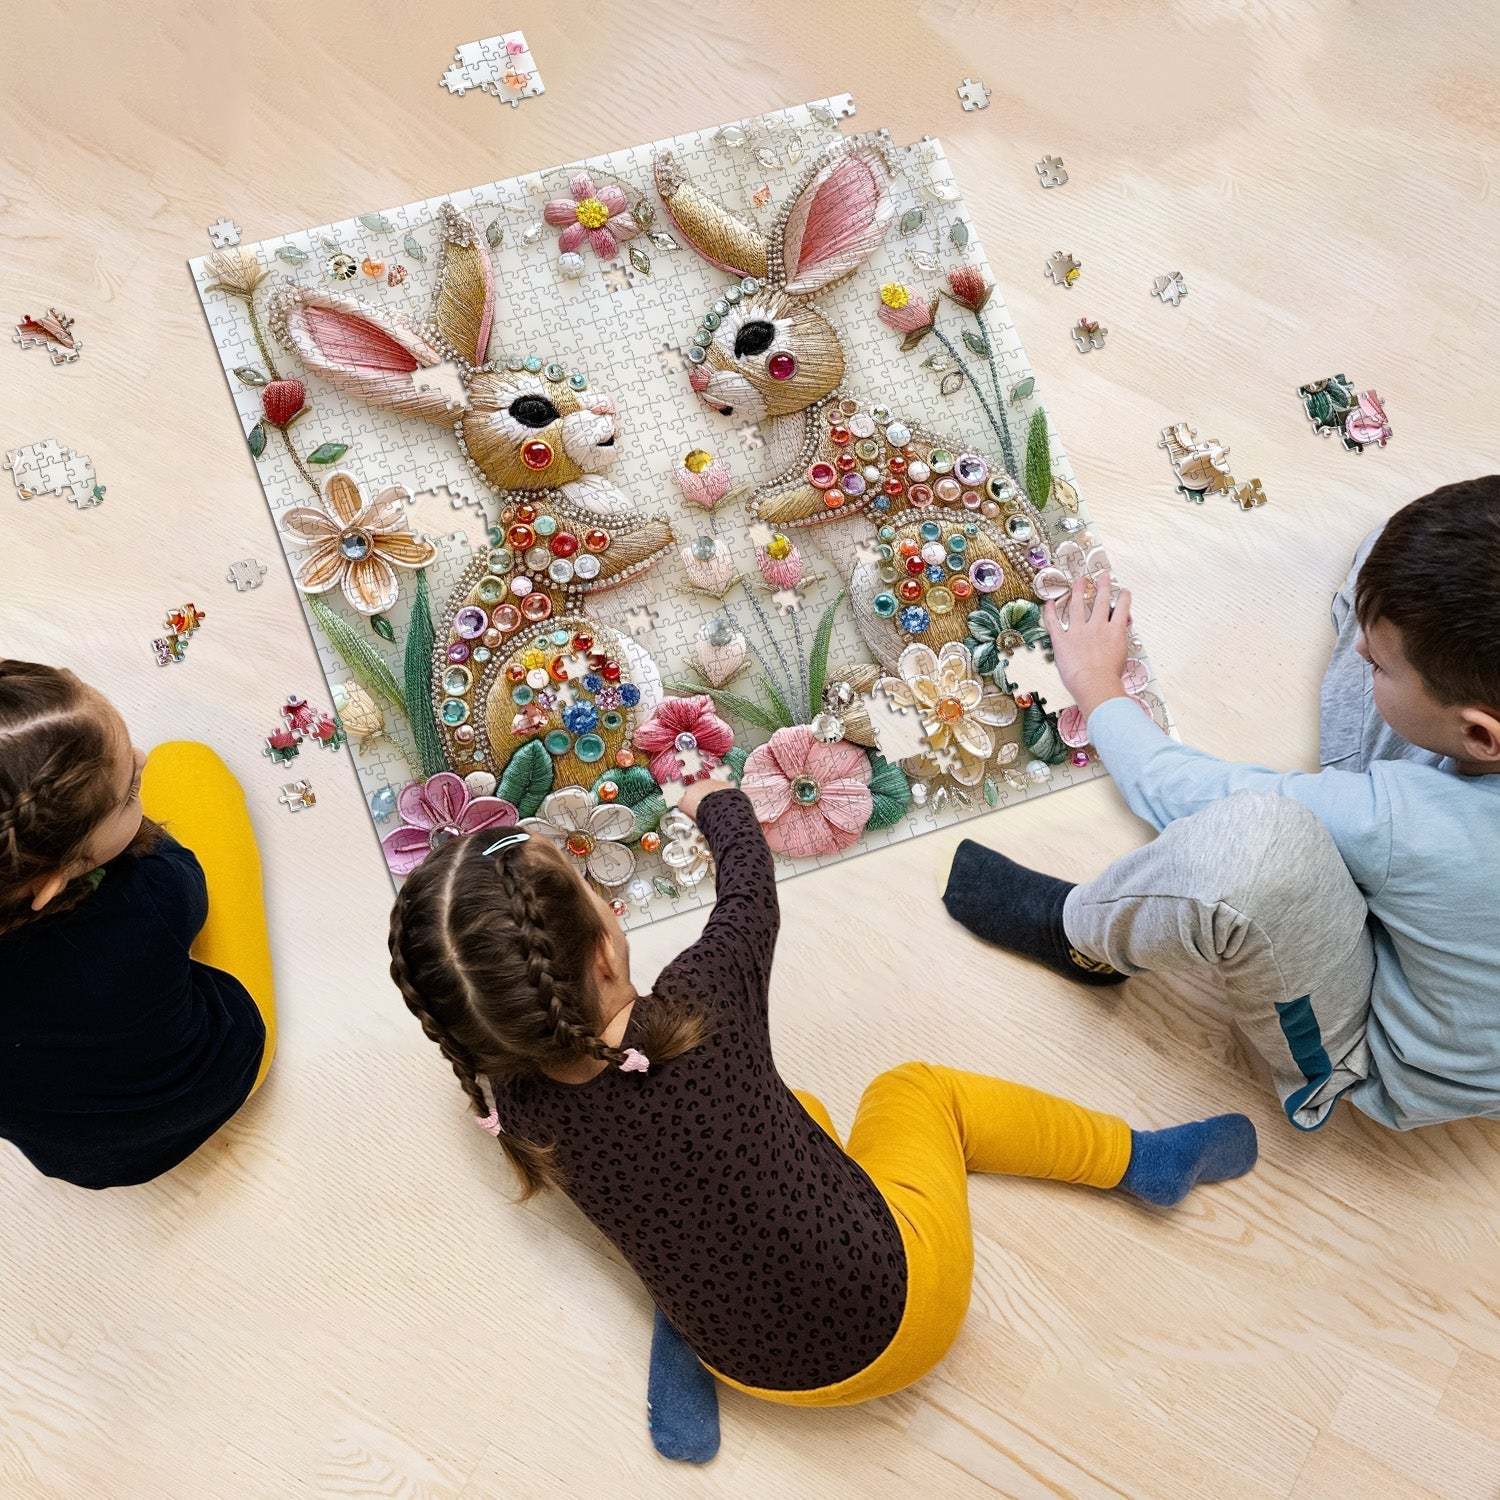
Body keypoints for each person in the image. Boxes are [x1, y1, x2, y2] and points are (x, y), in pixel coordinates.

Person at [386, 776, 1256, 1458]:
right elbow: (748, 897)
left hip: (749, 1366)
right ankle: (1138, 1159)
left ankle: (685, 1346)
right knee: (913, 1091)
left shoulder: (510, 1104)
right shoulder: (700, 1004)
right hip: (908, 1312)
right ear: (608, 947)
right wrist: (718, 803)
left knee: (758, 1139)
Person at [944, 478, 1500, 1132]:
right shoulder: (1430, 805)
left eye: (1375, 666)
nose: (1359, 652)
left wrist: (1094, 681)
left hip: (1384, 1056)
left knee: (1257, 851)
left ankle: (1077, 936)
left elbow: (1169, 785)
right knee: (1397, 564)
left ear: (1480, 736)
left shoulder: (1406, 822)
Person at [0, 661, 276, 1188]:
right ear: (52, 882)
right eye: (129, 791)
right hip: (216, 1075)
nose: (142, 758)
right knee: (187, 764)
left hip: (80, 1161)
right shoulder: (149, 895)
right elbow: (185, 884)